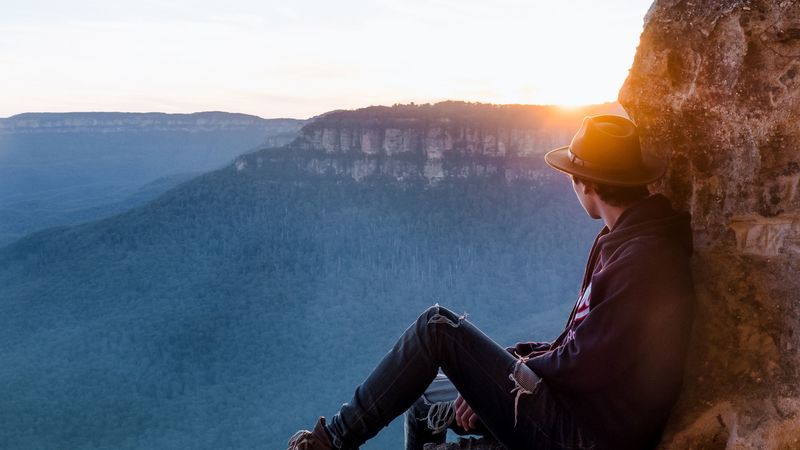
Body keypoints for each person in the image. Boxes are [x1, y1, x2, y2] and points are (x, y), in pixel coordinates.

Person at [287, 115, 695, 450]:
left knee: (437, 328)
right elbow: (581, 342)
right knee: (425, 402)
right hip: (577, 411)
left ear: (585, 183)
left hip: (585, 434)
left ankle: (332, 441)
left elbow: (585, 362)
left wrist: (512, 377)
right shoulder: (625, 241)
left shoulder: (643, 259)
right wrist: (509, 364)